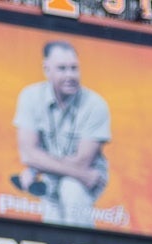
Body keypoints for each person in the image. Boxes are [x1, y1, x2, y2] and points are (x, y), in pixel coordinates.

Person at [12, 39, 110, 227]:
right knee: (52, 221)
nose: (70, 75)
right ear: (46, 69)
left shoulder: (95, 104)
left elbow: (82, 162)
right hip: (59, 176)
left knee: (70, 189)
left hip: (88, 178)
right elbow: (28, 154)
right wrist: (34, 166)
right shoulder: (30, 97)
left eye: (74, 68)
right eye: (62, 69)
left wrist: (38, 166)